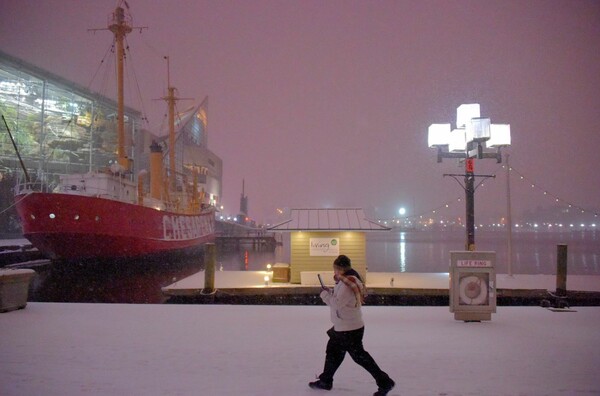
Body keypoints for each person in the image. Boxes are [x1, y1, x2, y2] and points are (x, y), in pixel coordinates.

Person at [309, 255, 395, 396]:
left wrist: (324, 295)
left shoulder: (348, 284)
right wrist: (330, 291)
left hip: (348, 328)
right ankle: (325, 380)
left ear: (340, 269)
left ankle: (385, 382)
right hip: (346, 326)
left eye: (335, 269)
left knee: (360, 357)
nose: (334, 272)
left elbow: (337, 304)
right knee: (333, 352)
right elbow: (340, 299)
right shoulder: (347, 281)